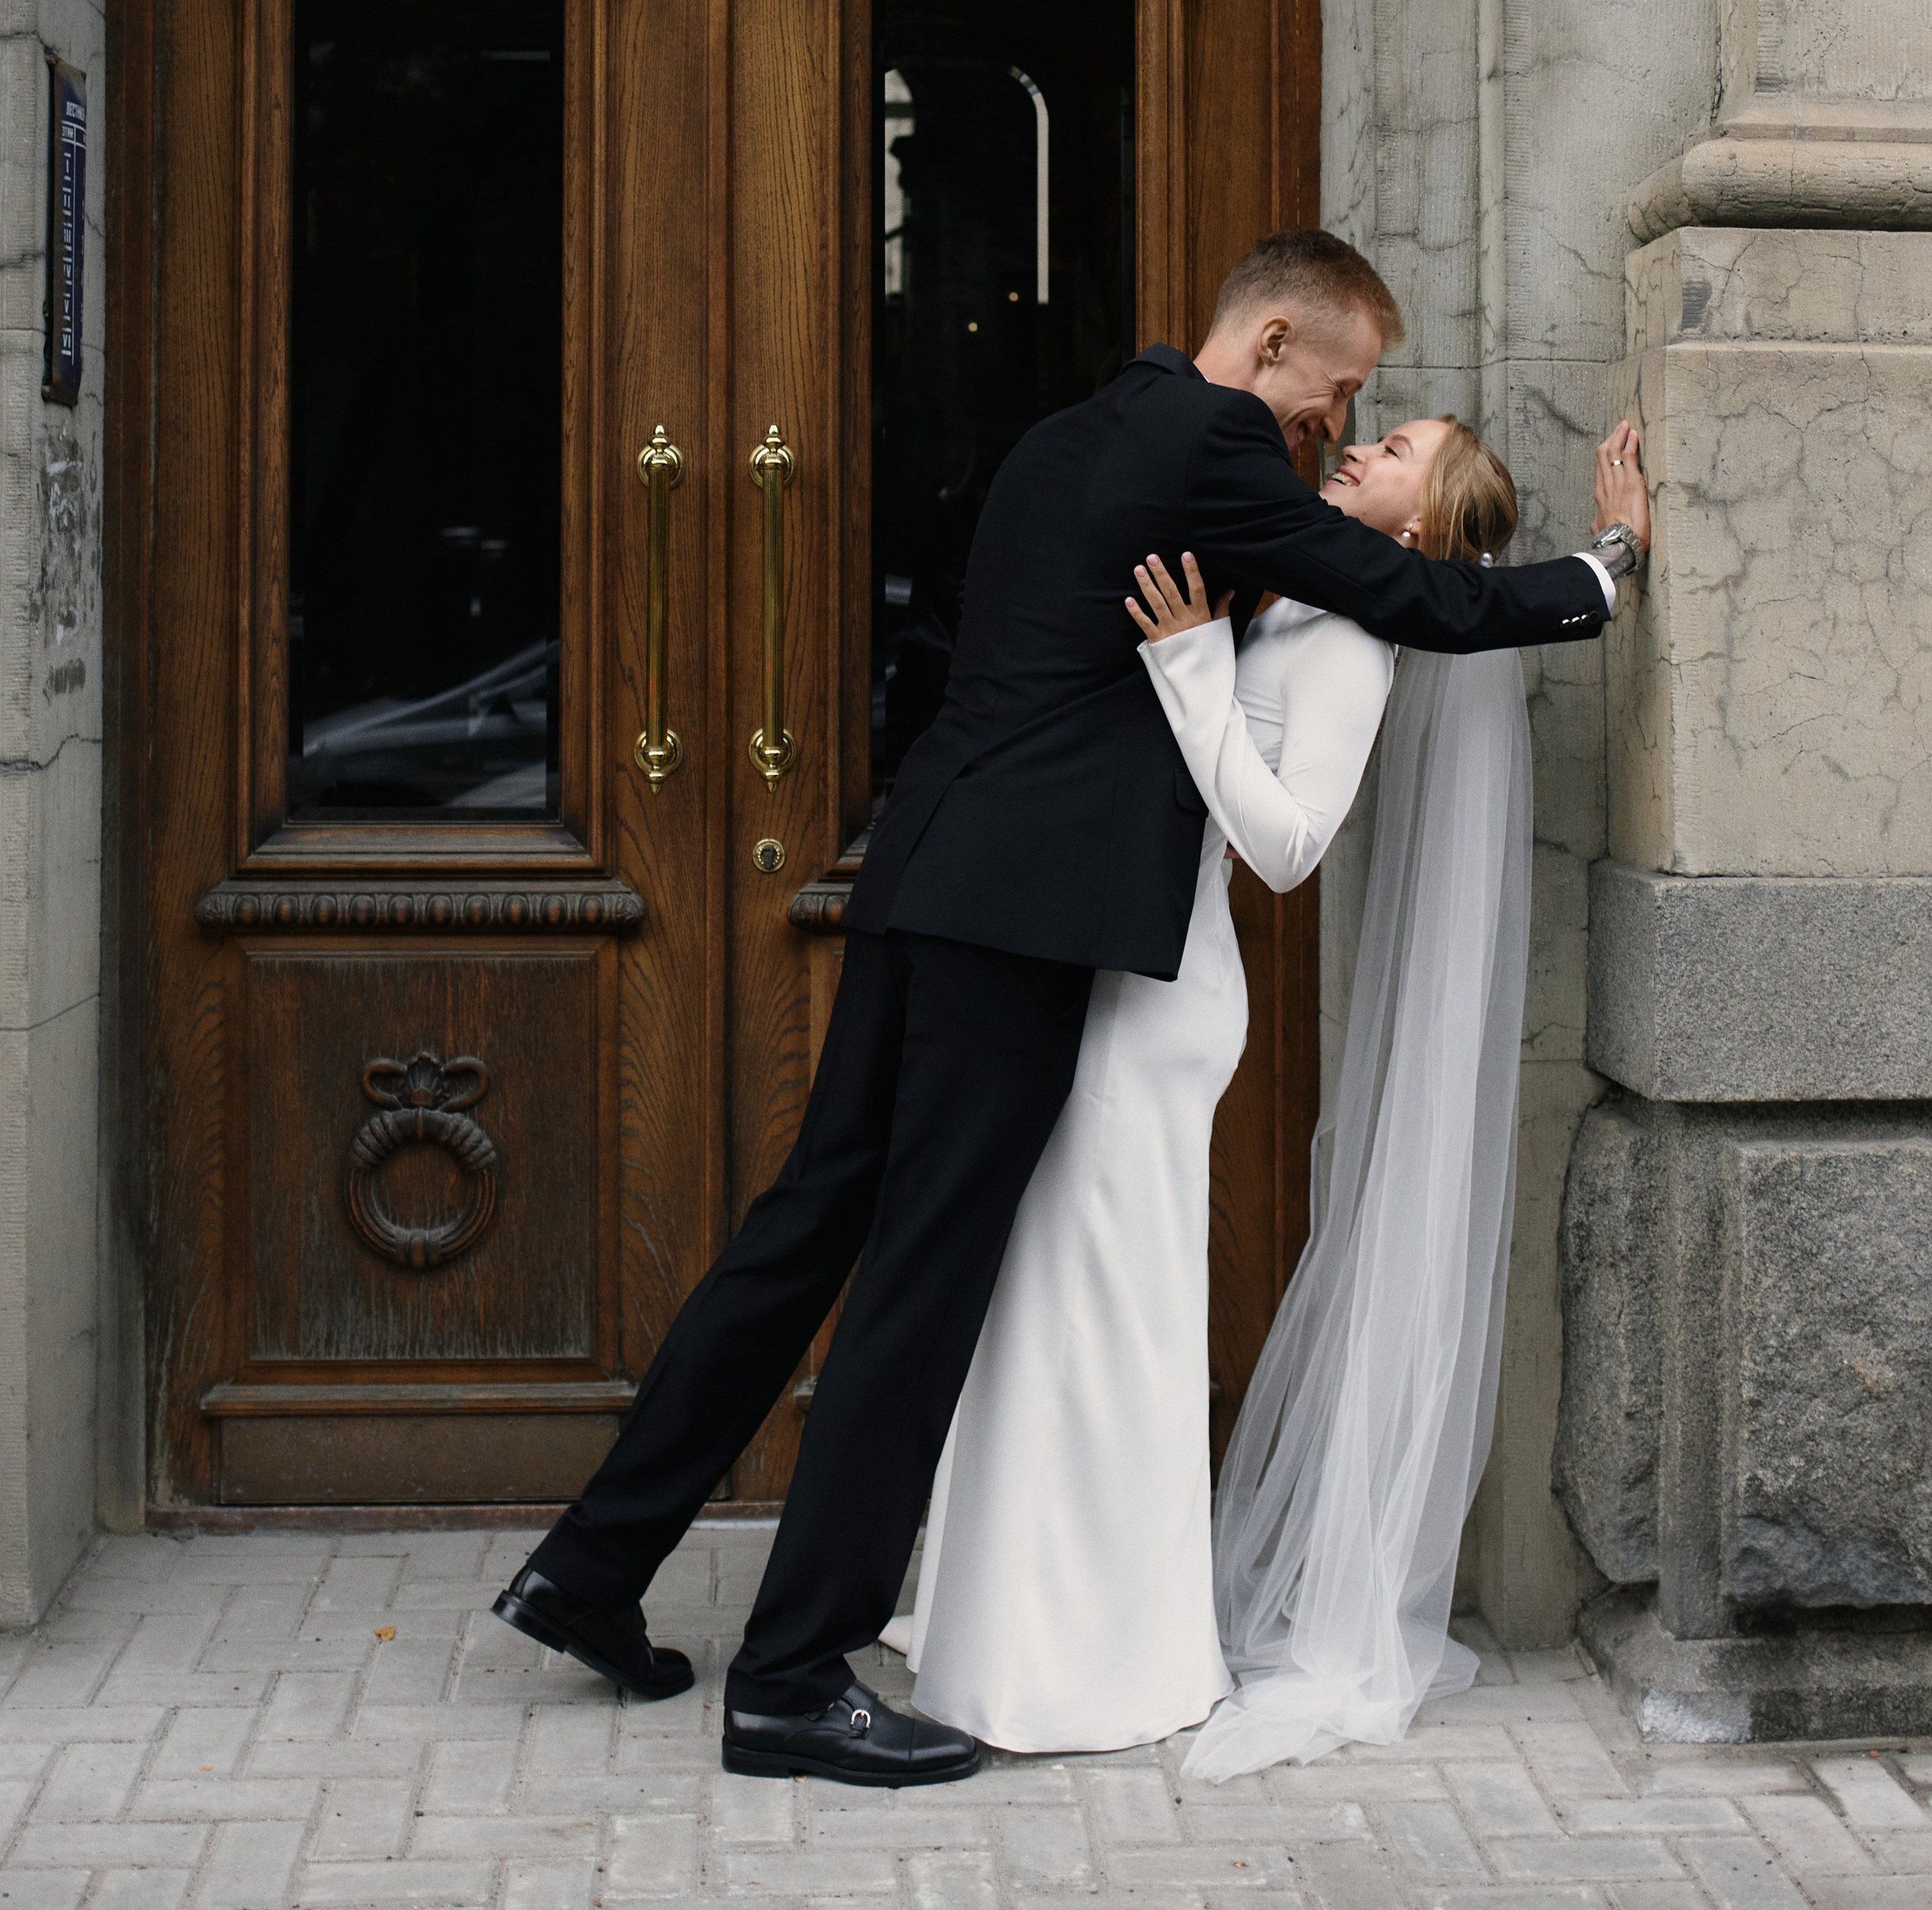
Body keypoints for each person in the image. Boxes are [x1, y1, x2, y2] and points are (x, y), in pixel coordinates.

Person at [492, 230, 1647, 1788]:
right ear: (1274, 342)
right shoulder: (1217, 445)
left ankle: (589, 1565)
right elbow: (1407, 594)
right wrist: (1605, 570)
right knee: (919, 1286)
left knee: (805, 1225)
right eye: (1338, 385)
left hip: (922, 871)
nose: (1336, 418)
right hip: (1021, 921)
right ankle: (789, 1673)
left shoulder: (1068, 436)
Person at [890, 414, 1605, 1758]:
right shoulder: (1304, 599)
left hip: (1166, 1001)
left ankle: (1107, 1659)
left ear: (1419, 524)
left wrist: (1189, 667)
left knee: (1116, 1320)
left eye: (1398, 448)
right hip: (1116, 966)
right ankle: (1006, 1616)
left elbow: (1287, 845)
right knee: (1051, 1295)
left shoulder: (1349, 643)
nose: (1363, 446)